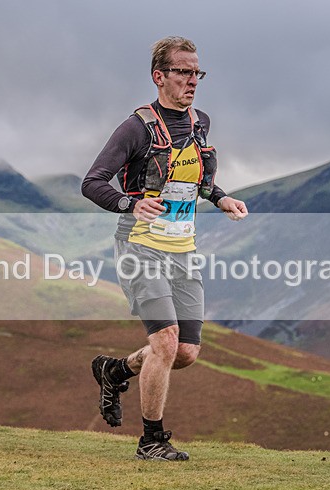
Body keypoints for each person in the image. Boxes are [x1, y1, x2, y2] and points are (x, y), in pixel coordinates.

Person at [82, 36, 247, 460]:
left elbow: (195, 177)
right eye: (184, 72)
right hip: (140, 246)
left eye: (198, 73)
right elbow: (93, 182)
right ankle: (151, 441)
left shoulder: (199, 121)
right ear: (159, 77)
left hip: (182, 248)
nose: (193, 81)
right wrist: (131, 204)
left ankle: (115, 370)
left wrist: (219, 197)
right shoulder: (135, 127)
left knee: (186, 353)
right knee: (167, 339)